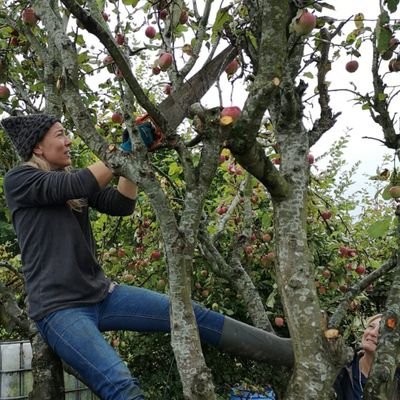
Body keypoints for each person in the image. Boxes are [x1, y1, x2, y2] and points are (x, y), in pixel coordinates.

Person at [1, 114, 293, 400]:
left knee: (190, 313)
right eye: (60, 134)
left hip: (102, 295)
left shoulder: (67, 181)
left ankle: (290, 352)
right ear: (38, 147)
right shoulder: (20, 179)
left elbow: (121, 204)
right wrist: (122, 150)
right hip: (59, 309)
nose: (69, 141)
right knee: (121, 386)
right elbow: (80, 184)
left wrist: (133, 158)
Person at [334, 314, 400, 400]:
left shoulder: (397, 379)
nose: (372, 333)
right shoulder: (342, 370)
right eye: (371, 327)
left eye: (381, 331)